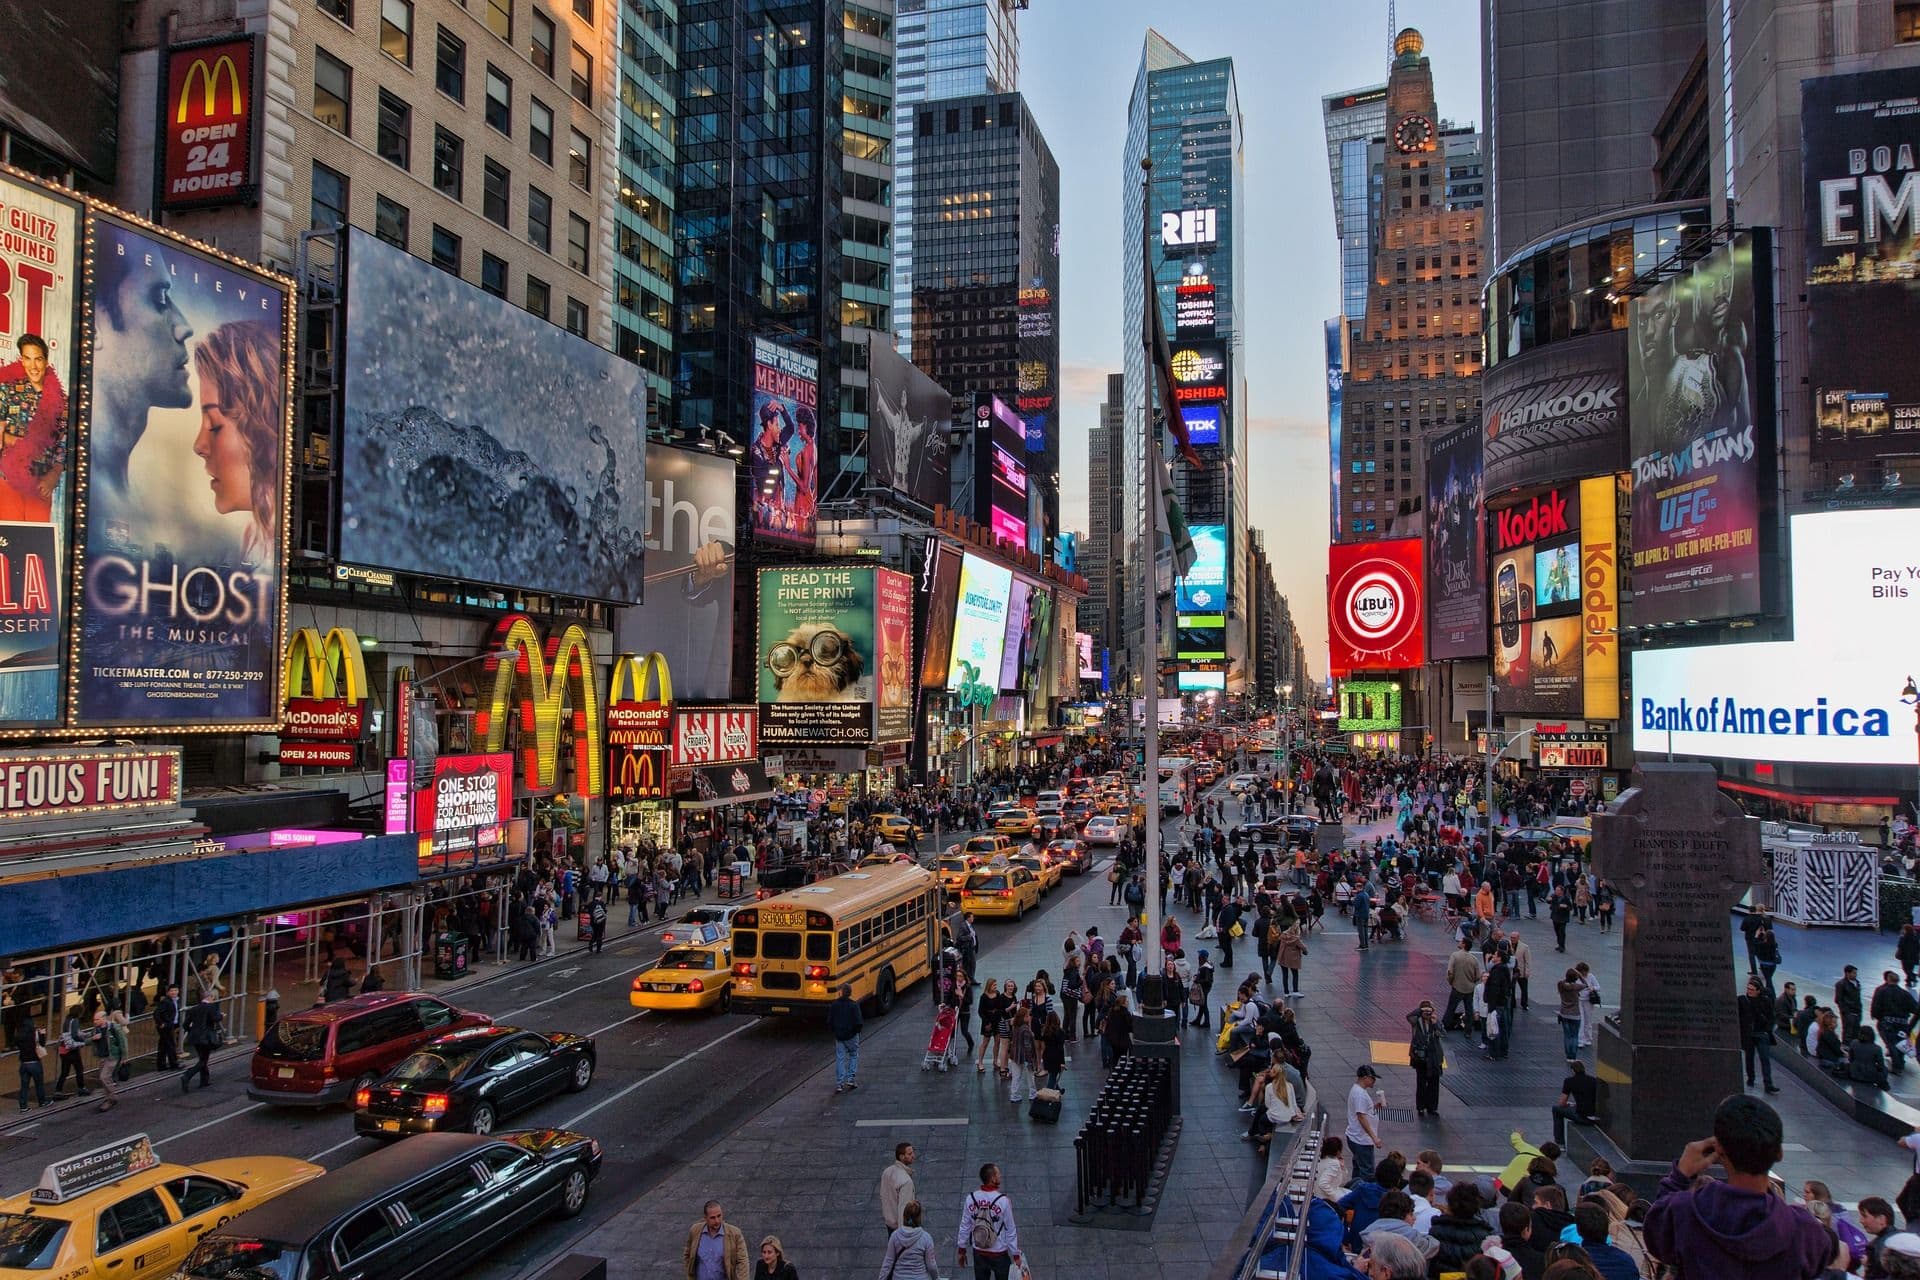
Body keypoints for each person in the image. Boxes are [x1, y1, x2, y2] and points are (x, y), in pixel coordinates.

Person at [1643, 1094, 1830, 1278]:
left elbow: (1656, 1234)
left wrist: (1678, 1178)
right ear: (1779, 1153)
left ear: (1719, 1150)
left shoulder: (1683, 1213)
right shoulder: (1806, 1233)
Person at [191, 320, 283, 564]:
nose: (199, 445)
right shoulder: (255, 541)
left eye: (215, 424)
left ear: (260, 428)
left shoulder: (268, 551)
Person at [956, 1163, 1021, 1280]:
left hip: (979, 1251)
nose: (1000, 1176)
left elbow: (965, 1225)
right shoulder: (1003, 1201)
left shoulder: (971, 1198)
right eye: (998, 1174)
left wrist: (962, 1249)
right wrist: (1016, 1254)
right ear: (992, 1178)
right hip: (999, 1252)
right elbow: (1010, 1229)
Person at [685, 1201, 750, 1280]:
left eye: (719, 1216)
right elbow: (687, 1255)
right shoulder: (695, 1231)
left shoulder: (735, 1234)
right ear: (705, 1218)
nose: (717, 1221)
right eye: (712, 1217)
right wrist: (689, 1275)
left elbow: (743, 1262)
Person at [1739, 974, 1781, 1093]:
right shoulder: (1742, 1000)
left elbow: (1771, 1016)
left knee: (1765, 1059)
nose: (1749, 991)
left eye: (1752, 990)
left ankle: (1768, 1084)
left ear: (1758, 991)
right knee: (1749, 1058)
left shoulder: (1765, 1001)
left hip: (1761, 1033)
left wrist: (1768, 1030)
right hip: (1749, 1034)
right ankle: (1751, 1078)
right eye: (1748, 989)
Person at [878, 1201, 940, 1280]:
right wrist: (936, 1278)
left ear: (904, 1216)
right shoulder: (926, 1238)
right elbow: (931, 1265)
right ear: (919, 1217)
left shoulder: (895, 1236)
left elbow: (888, 1262)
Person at [1406, 1000, 1446, 1116]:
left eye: (1430, 1010)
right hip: (1420, 1056)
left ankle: (1432, 1107)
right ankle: (1421, 1106)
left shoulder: (1435, 1021)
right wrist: (1420, 1011)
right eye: (1425, 1011)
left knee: (1434, 1082)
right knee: (1421, 1082)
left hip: (1434, 1056)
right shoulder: (1416, 1021)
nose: (1427, 1013)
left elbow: (1442, 1033)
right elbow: (1409, 1016)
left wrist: (1434, 1023)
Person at [1874, 970, 1919, 1073]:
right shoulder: (1905, 994)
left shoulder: (1881, 991)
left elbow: (1876, 1007)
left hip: (1887, 1022)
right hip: (1903, 1023)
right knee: (1901, 1042)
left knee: (1891, 1043)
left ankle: (1896, 1066)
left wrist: (1878, 1017)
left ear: (1888, 979)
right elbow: (1915, 1009)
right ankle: (1901, 1062)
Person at [180, 990, 223, 1092]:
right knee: (203, 1060)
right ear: (210, 997)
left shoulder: (194, 1009)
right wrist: (221, 1016)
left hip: (195, 1037)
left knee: (202, 1058)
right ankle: (187, 1076)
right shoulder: (211, 1008)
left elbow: (185, 1024)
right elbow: (215, 1018)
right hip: (206, 1037)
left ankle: (204, 1080)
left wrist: (192, 1031)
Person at [1346, 1065, 1382, 1182]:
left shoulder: (1357, 1091)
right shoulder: (1360, 1095)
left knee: (1358, 1168)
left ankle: (1353, 1190)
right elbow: (1361, 1116)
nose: (1374, 1081)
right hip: (1361, 1139)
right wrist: (1374, 1137)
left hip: (1355, 1137)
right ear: (1365, 1078)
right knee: (1367, 1172)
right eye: (1372, 1078)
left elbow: (1363, 1112)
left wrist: (1375, 1106)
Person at [1551, 1061, 1600, 1146]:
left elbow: (1562, 1103)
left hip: (1582, 1116)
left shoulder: (1569, 1081)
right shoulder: (1593, 1080)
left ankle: (1559, 1142)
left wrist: (1568, 1104)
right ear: (1584, 1069)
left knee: (1556, 1109)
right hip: (1594, 1115)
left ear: (1573, 1071)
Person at [829, 984, 863, 1094]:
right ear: (850, 993)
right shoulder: (854, 1005)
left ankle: (839, 1083)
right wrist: (856, 1032)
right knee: (853, 1055)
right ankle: (851, 1079)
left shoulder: (834, 1005)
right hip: (851, 1036)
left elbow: (829, 1021)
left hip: (839, 1036)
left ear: (841, 992)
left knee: (840, 1058)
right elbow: (859, 1022)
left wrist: (835, 1031)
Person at [92, 1009, 126, 1112]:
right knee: (105, 1078)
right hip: (103, 1056)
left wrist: (124, 1057)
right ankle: (109, 1097)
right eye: (94, 1020)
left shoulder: (114, 1028)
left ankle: (111, 1098)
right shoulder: (96, 1029)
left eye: (97, 1019)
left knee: (104, 1077)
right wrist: (93, 1038)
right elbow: (88, 1040)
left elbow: (122, 1042)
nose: (95, 1021)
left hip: (112, 1056)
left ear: (103, 1018)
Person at [879, 1143, 916, 1237]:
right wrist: (904, 1235)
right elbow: (904, 1210)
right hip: (899, 1228)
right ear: (902, 1157)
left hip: (889, 1222)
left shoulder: (887, 1171)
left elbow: (883, 1195)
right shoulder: (906, 1182)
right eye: (910, 1154)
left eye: (913, 1152)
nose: (913, 1156)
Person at [12, 1018, 48, 1111]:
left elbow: (16, 1044)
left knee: (24, 1086)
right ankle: (42, 1101)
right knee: (39, 1084)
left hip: (24, 1063)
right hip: (34, 1062)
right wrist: (43, 1034)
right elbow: (42, 1044)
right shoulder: (35, 1033)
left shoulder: (19, 1035)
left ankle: (23, 1106)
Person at [152, 983, 180, 1072]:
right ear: (167, 992)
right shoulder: (166, 1001)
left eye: (175, 990)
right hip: (166, 1026)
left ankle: (161, 1065)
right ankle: (173, 1064)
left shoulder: (175, 1001)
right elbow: (156, 1013)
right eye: (172, 991)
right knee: (170, 1044)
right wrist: (161, 1023)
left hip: (170, 1024)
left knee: (163, 1046)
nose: (174, 992)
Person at [1838, 965, 1865, 1040]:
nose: (1855, 975)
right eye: (1854, 973)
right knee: (1847, 1031)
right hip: (1848, 1012)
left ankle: (1854, 1046)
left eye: (1856, 973)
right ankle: (1846, 1046)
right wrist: (1845, 1011)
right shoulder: (1841, 984)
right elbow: (1838, 999)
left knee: (1856, 1030)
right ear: (1847, 973)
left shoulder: (1857, 983)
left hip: (1857, 1011)